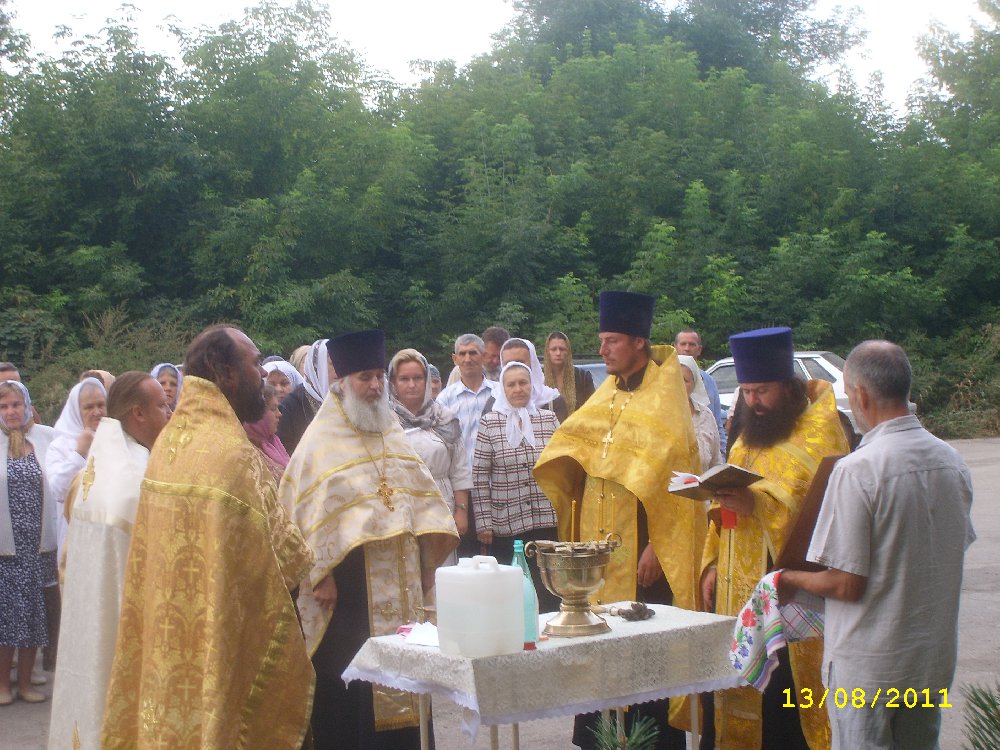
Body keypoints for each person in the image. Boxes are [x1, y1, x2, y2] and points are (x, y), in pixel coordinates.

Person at [101, 325, 315, 749]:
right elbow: (288, 559)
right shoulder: (233, 454)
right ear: (226, 373)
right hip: (223, 631)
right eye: (254, 363)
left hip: (170, 636)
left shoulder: (169, 443)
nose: (262, 374)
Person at [777, 341, 975, 750]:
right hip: (928, 661)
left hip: (869, 669)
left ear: (861, 395)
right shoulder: (952, 461)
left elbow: (846, 583)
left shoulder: (857, 470)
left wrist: (790, 578)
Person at [534, 291, 703, 748]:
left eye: (611, 341)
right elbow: (572, 448)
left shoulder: (666, 400)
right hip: (598, 555)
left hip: (644, 555)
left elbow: (678, 487)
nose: (603, 349)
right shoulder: (605, 393)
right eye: (601, 340)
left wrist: (657, 547)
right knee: (598, 652)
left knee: (645, 659)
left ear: (638, 342)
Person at [279, 329, 459, 750]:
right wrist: (318, 573)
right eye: (365, 377)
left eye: (379, 376)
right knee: (352, 689)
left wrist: (427, 563)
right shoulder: (319, 440)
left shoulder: (389, 428)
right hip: (348, 590)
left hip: (400, 577)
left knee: (405, 676)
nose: (376, 386)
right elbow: (298, 511)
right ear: (343, 381)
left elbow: (422, 500)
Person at [700, 327, 850, 750]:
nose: (754, 402)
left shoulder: (821, 430)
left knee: (783, 710)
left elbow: (825, 508)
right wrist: (712, 563)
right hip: (738, 591)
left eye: (762, 391)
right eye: (747, 392)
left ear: (787, 386)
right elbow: (728, 499)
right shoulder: (749, 433)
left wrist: (760, 504)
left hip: (788, 598)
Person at [47, 372, 170, 748]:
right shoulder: (139, 478)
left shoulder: (95, 468)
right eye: (162, 406)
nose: (169, 413)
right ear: (138, 414)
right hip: (125, 621)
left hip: (86, 618)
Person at [473, 361, 561, 612]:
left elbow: (560, 466)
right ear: (503, 389)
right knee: (513, 590)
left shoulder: (548, 419)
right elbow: (479, 475)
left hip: (545, 519)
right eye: (511, 384)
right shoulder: (490, 422)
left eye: (523, 383)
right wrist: (484, 522)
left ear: (532, 385)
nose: (518, 389)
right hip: (507, 521)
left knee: (548, 588)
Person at [0, 381, 57, 705]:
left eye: (16, 405)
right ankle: (2, 685)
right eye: (4, 406)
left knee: (34, 615)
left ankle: (24, 684)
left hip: (37, 546)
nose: (11, 412)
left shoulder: (46, 438)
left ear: (27, 406)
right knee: (6, 618)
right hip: (5, 548)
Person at [388, 348, 471, 565]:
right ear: (393, 383)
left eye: (418, 378)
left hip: (441, 505)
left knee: (440, 571)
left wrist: (461, 511)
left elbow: (459, 469)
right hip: (400, 507)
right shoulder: (383, 422)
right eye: (404, 379)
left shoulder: (445, 419)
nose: (412, 384)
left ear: (426, 381)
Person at [437, 333, 498, 557]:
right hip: (461, 491)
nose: (468, 358)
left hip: (495, 488)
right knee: (466, 555)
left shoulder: (499, 393)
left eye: (473, 353)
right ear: (455, 359)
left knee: (498, 553)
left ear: (483, 356)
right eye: (462, 354)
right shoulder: (445, 399)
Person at [46, 377, 107, 559]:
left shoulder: (116, 439)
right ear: (76, 410)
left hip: (107, 534)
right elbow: (58, 490)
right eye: (88, 407)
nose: (97, 412)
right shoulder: (60, 446)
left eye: (101, 405)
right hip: (74, 539)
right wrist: (79, 453)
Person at [675, 328, 727, 455]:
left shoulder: (709, 382)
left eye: (692, 344)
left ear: (699, 349)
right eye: (683, 344)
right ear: (675, 347)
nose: (687, 348)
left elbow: (717, 425)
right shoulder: (662, 380)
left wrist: (721, 456)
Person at [279, 338, 334, 454]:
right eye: (332, 363)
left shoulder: (347, 399)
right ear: (317, 366)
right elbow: (285, 451)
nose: (339, 368)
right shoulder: (291, 405)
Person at [496, 337, 567, 421]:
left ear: (533, 363)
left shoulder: (553, 401)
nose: (514, 366)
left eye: (520, 362)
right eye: (508, 363)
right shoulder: (494, 401)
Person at [678, 355, 723, 472]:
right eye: (674, 379)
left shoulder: (706, 415)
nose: (679, 384)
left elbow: (716, 461)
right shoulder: (657, 416)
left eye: (685, 380)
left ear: (694, 384)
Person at [244, 384, 292, 484]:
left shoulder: (274, 442)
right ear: (258, 413)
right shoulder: (248, 453)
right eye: (273, 409)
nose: (279, 414)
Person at [542, 331, 596, 418]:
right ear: (547, 351)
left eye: (562, 349)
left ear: (568, 351)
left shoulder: (582, 377)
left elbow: (591, 408)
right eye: (554, 349)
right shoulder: (539, 376)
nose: (558, 353)